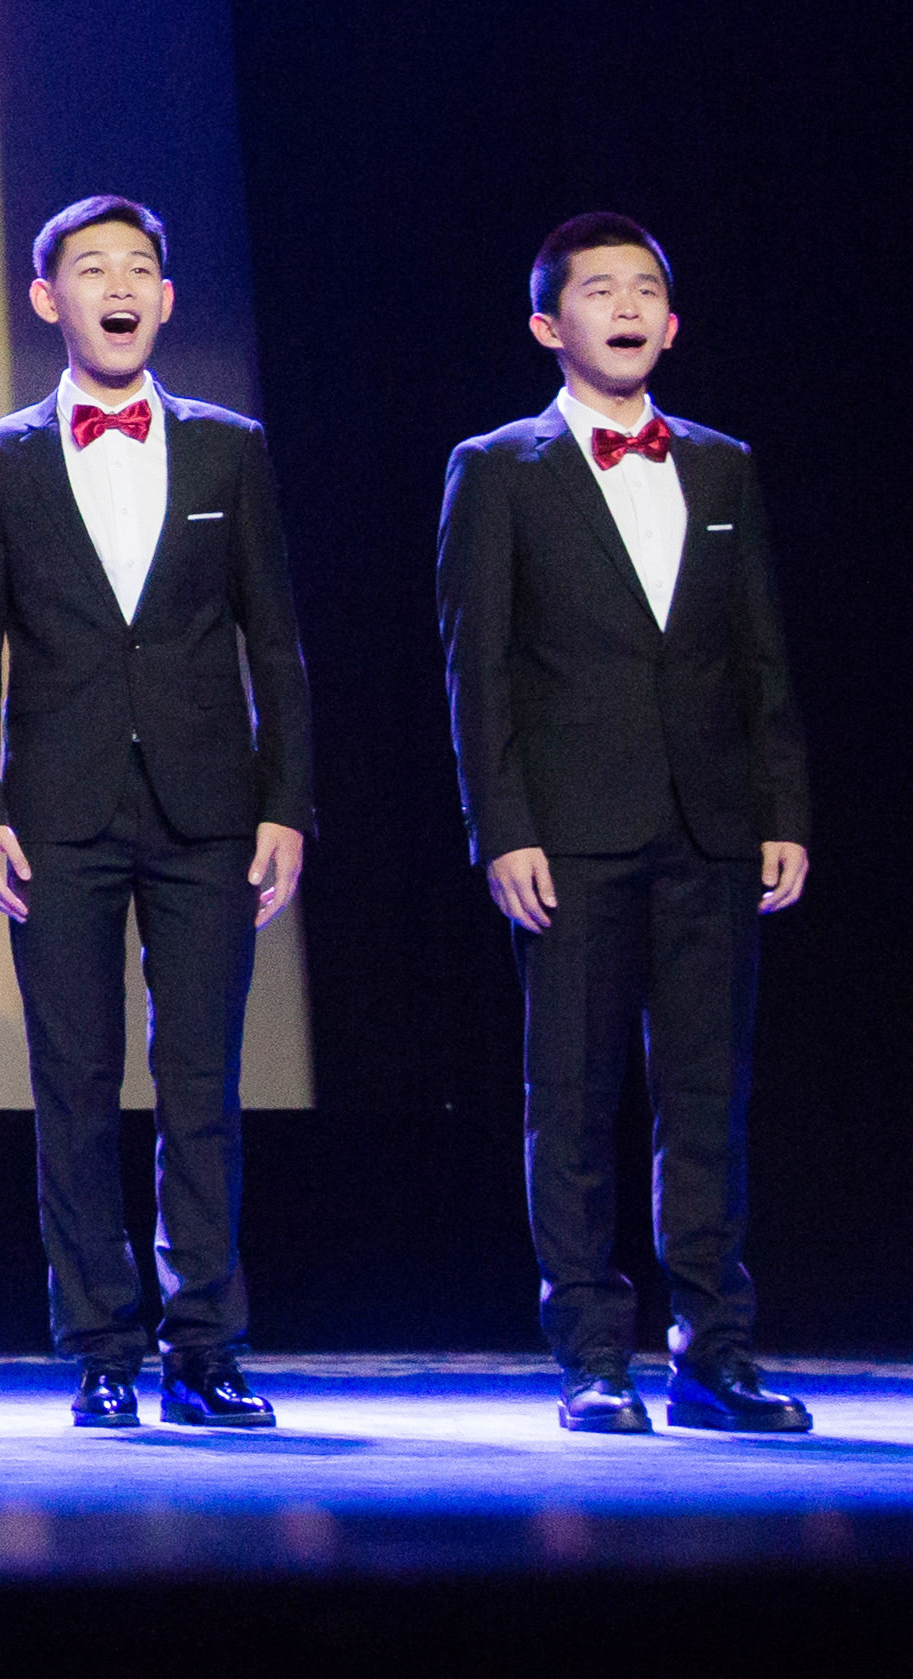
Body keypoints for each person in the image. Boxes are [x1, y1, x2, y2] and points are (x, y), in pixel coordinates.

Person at [0, 197, 313, 1431]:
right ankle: (99, 1344)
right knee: (75, 1082)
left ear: (165, 298)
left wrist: (285, 804)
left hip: (209, 810)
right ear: (48, 300)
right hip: (55, 811)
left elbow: (274, 642)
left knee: (201, 1081)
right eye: (91, 268)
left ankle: (205, 1345)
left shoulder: (226, 448)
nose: (118, 286)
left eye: (138, 267)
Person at [440, 212, 814, 1435]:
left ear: (672, 320)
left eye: (645, 288)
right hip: (569, 833)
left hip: (709, 826)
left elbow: (759, 655)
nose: (626, 306)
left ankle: (714, 1353)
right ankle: (592, 1354)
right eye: (599, 290)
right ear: (548, 325)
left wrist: (781, 807)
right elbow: (477, 669)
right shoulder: (498, 467)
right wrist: (502, 828)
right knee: (573, 1097)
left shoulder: (721, 464)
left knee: (706, 1098)